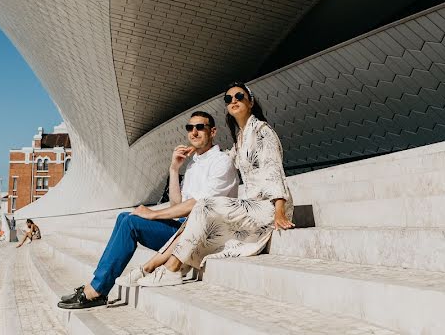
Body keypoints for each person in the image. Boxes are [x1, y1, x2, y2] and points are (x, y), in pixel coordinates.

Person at [57, 110, 238, 310]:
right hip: (182, 230)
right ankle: (98, 285)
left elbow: (198, 204)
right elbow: (177, 206)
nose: (193, 132)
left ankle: (97, 290)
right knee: (124, 217)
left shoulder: (222, 161)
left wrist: (153, 213)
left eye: (199, 127)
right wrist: (174, 169)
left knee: (131, 222)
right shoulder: (193, 166)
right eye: (189, 128)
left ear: (212, 131)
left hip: (202, 235)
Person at [135, 82, 294, 287]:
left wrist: (279, 211)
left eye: (239, 96)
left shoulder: (262, 131)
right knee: (203, 213)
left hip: (268, 207)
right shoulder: (242, 136)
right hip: (251, 205)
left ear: (251, 102)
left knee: (204, 204)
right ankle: (156, 267)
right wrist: (200, 153)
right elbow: (232, 158)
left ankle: (170, 268)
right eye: (229, 99)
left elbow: (274, 170)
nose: (234, 101)